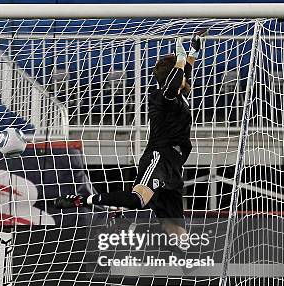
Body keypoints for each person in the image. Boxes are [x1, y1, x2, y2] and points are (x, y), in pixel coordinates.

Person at [54, 34, 203, 251]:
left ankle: (134, 226)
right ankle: (82, 201)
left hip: (174, 167)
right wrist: (181, 57)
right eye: (179, 74)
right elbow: (175, 80)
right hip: (158, 158)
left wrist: (193, 53)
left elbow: (183, 74)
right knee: (137, 199)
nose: (186, 79)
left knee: (182, 243)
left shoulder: (177, 93)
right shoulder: (161, 96)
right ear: (172, 77)